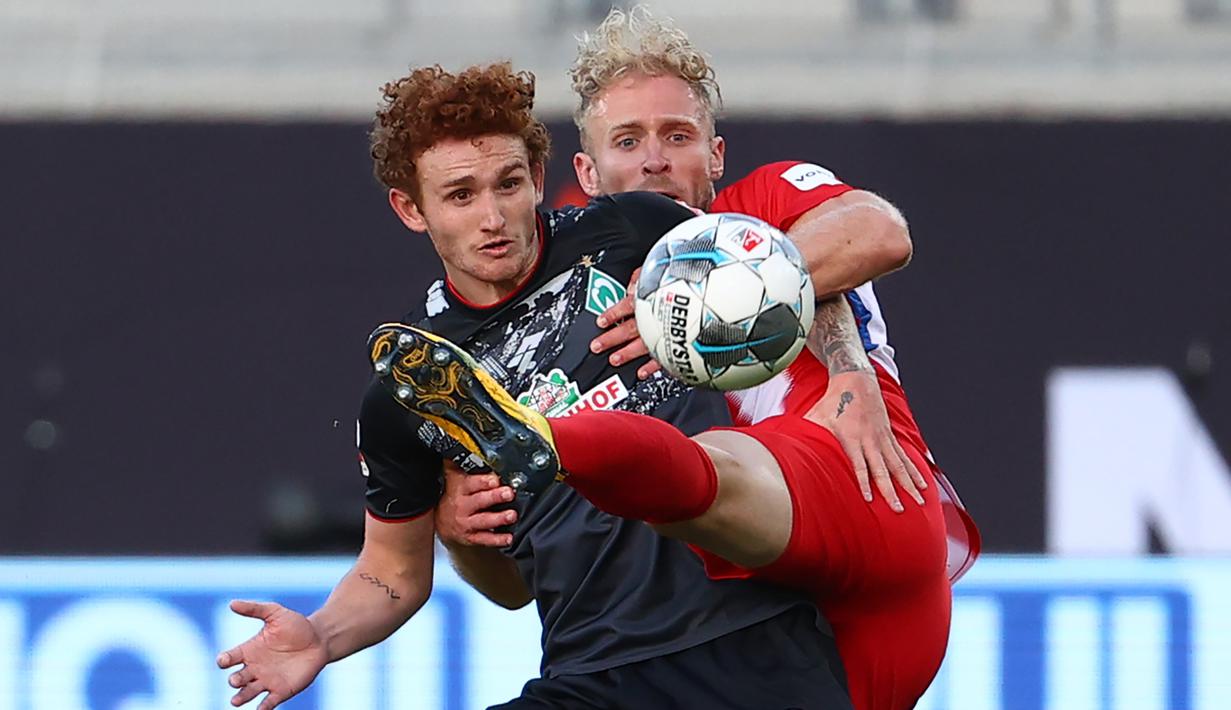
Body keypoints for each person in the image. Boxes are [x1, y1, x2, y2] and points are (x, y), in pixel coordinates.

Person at [217, 62, 853, 710]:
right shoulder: (414, 379)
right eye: (461, 195)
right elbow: (393, 575)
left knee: (702, 469)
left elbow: (794, 274)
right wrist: (321, 636)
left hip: (757, 638)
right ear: (411, 208)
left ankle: (564, 443)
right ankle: (552, 445)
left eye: (508, 183)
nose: (493, 216)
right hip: (593, 666)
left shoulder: (635, 231)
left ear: (537, 179)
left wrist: (850, 377)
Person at [426, 8, 981, 710]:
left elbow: (879, 232)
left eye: (677, 135)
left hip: (861, 509)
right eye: (627, 140)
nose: (654, 158)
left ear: (715, 156)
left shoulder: (758, 207)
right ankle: (533, 445)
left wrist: (705, 291)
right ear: (587, 173)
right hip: (771, 625)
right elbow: (512, 590)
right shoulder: (573, 319)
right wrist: (461, 535)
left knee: (695, 464)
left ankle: (537, 440)